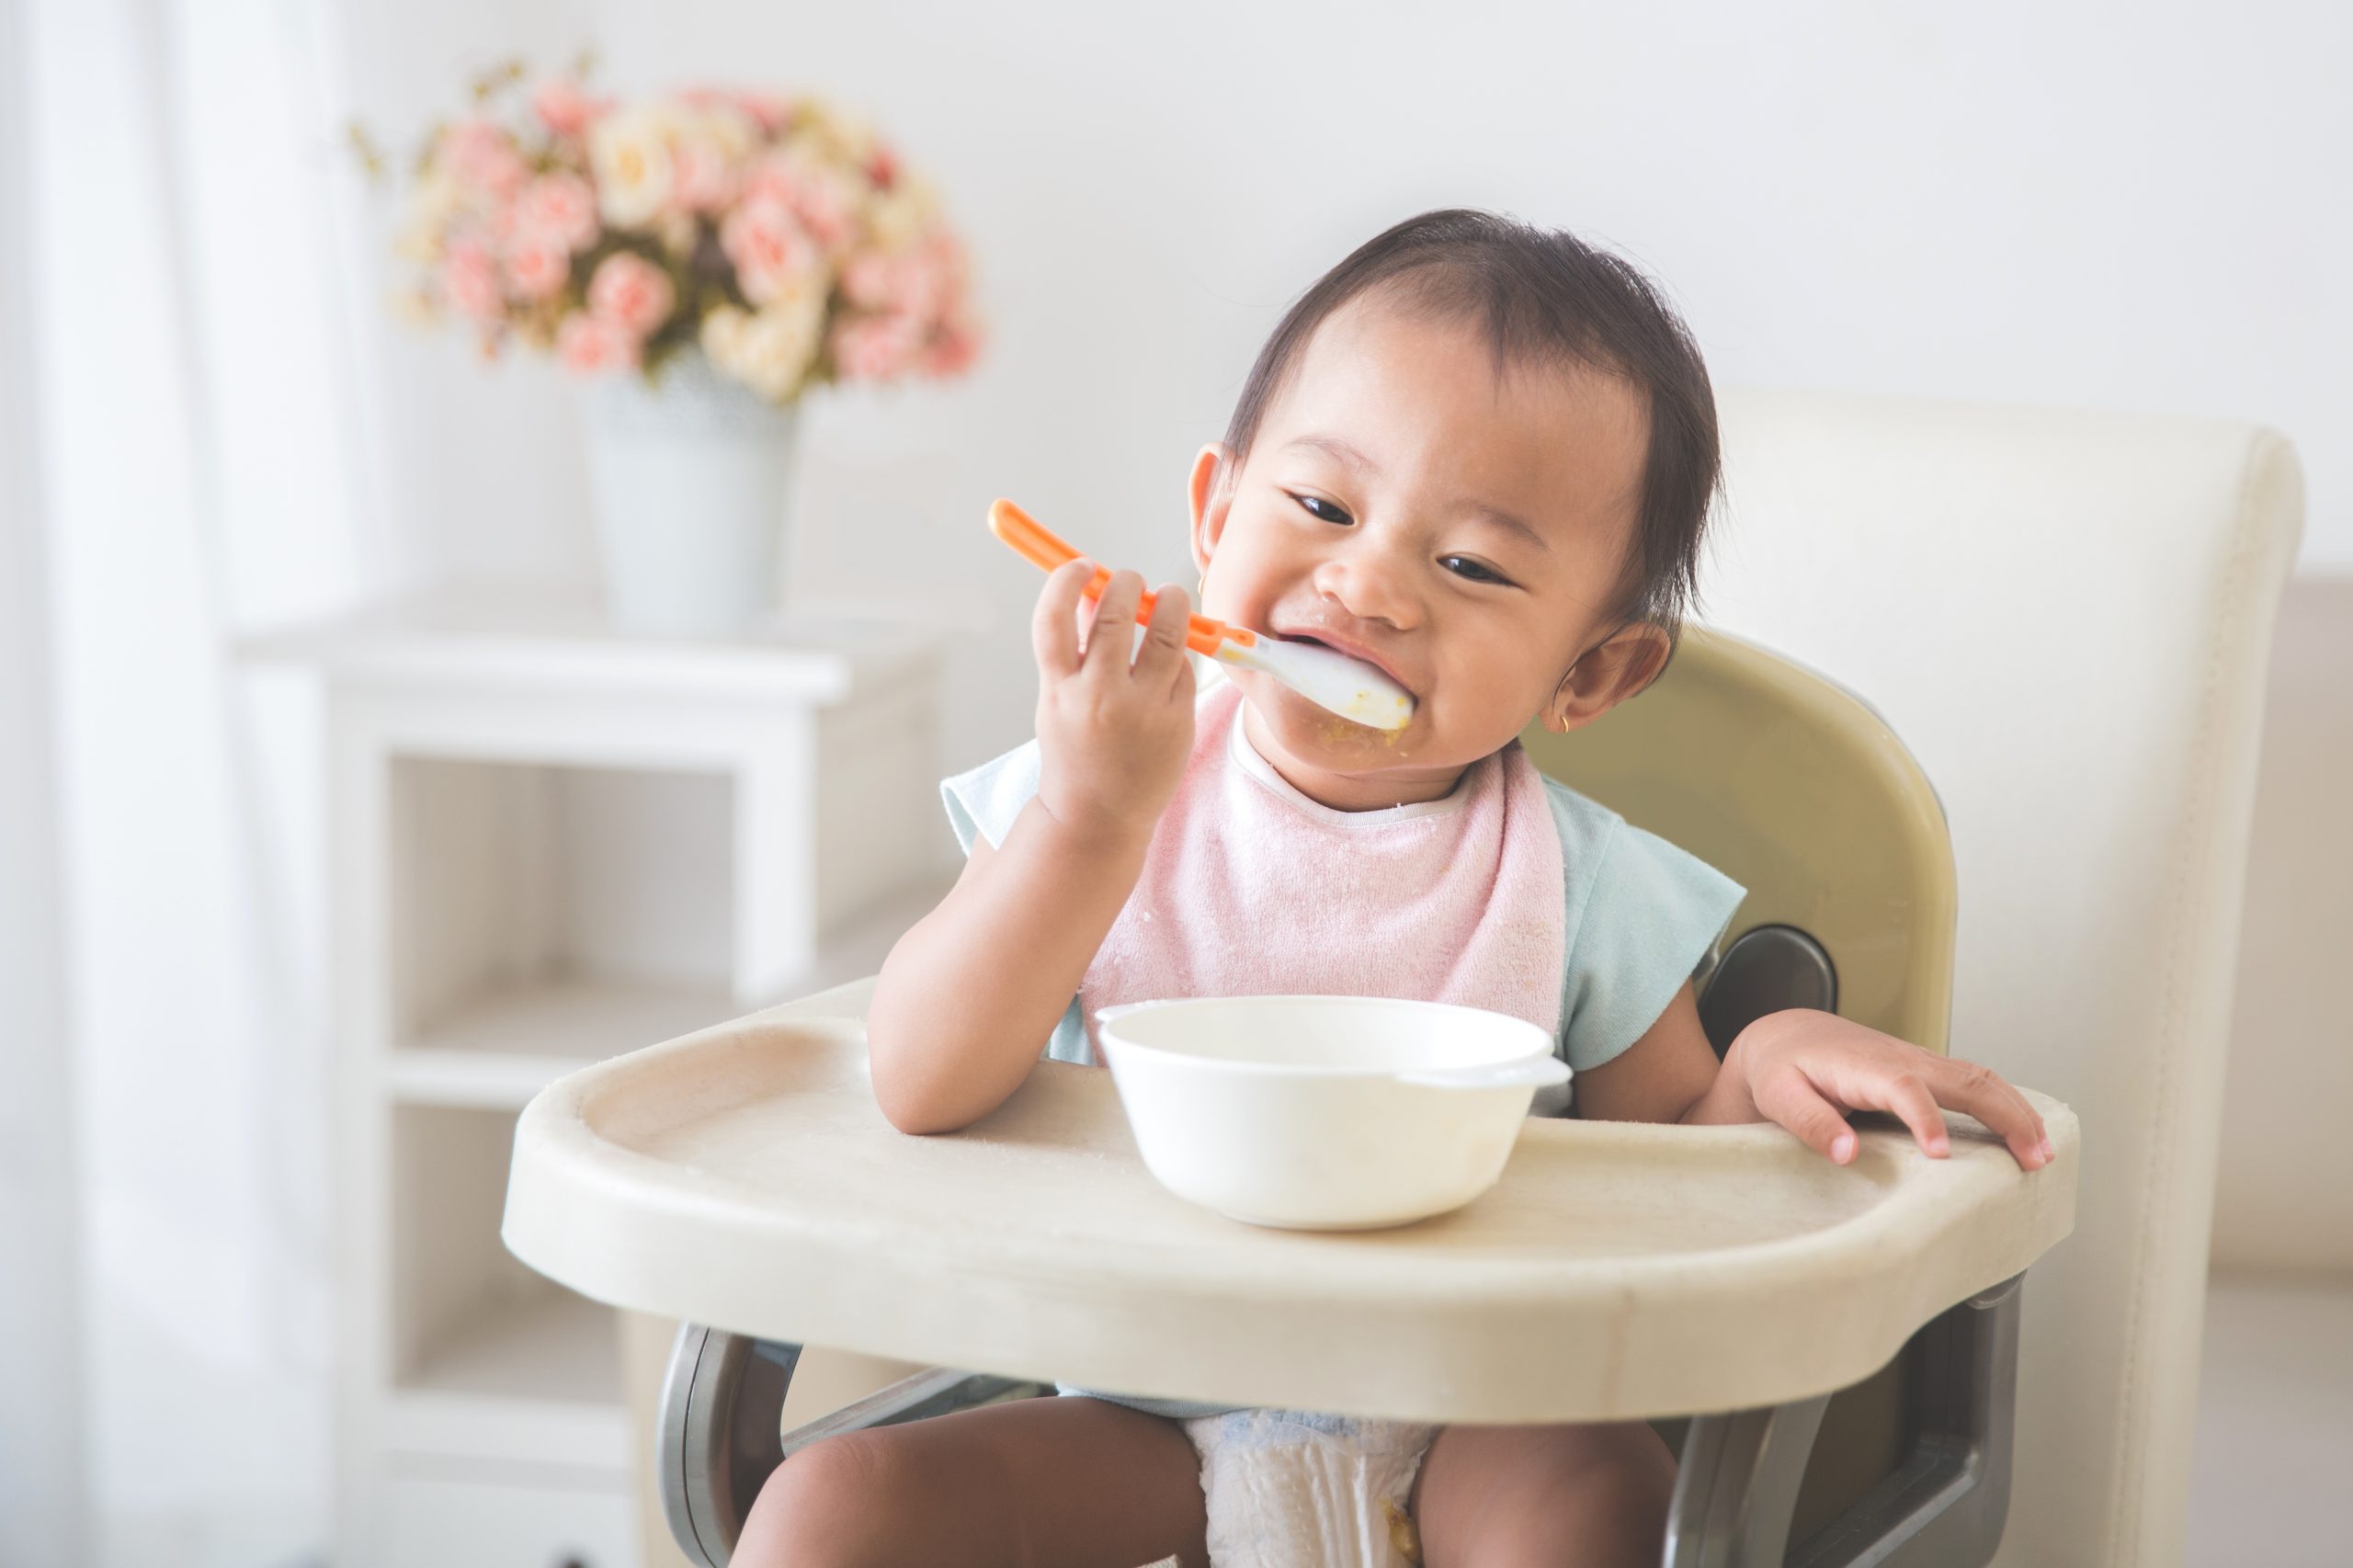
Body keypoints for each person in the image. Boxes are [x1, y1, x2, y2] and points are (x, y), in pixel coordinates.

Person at [735, 208, 2054, 1568]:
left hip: (1480, 1414)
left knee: (1606, 1502)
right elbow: (919, 1079)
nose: (1368, 584)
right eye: (1321, 506)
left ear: (1589, 675)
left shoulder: (1575, 883)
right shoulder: (1087, 790)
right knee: (834, 1510)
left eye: (1472, 564)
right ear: (1213, 514)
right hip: (1136, 1411)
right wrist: (1085, 822)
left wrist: (1768, 1056)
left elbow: (1677, 1172)